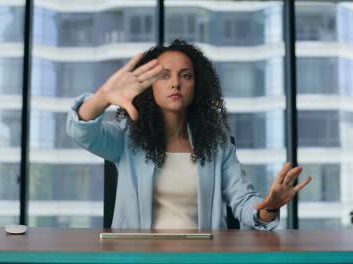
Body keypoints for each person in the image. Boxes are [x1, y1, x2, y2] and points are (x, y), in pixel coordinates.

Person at [66, 39, 311, 230]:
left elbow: (244, 201)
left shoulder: (217, 145)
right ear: (149, 85)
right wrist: (102, 98)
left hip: (203, 256)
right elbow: (81, 131)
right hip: (138, 256)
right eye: (164, 76)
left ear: (197, 86)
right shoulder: (125, 138)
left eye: (185, 75)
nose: (175, 83)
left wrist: (268, 208)